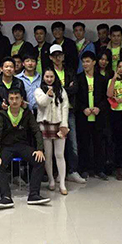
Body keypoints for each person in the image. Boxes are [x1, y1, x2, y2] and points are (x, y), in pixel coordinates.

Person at [0, 88, 50, 209]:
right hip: (7, 147)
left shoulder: (27, 114)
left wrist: (40, 150)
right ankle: (6, 197)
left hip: (22, 146)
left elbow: (37, 131)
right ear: (7, 100)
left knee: (39, 160)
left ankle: (34, 195)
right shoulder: (1, 115)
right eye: (11, 99)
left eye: (17, 98)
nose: (14, 101)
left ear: (21, 99)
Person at [49, 44, 86, 184]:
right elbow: (48, 89)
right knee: (54, 144)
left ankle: (72, 171)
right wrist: (65, 88)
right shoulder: (49, 72)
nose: (58, 58)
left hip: (69, 110)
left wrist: (59, 89)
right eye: (55, 56)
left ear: (63, 56)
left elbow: (75, 88)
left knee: (72, 142)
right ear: (50, 57)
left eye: (60, 55)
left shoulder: (70, 71)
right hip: (53, 112)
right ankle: (58, 173)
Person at [75, 51, 109, 181]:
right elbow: (75, 98)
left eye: (88, 61)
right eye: (83, 62)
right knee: (83, 143)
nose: (85, 64)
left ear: (94, 62)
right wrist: (83, 108)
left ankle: (99, 169)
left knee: (99, 143)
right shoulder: (78, 78)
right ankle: (84, 168)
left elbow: (106, 98)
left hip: (98, 116)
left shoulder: (101, 79)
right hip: (83, 116)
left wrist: (99, 108)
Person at [35, 69, 69, 195]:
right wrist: (48, 96)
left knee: (59, 154)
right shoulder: (39, 90)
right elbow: (42, 103)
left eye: (51, 76)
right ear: (43, 77)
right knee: (48, 155)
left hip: (59, 124)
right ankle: (51, 180)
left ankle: (62, 183)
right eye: (47, 76)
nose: (49, 79)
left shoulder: (61, 90)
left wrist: (64, 124)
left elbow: (65, 108)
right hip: (45, 125)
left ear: (55, 77)